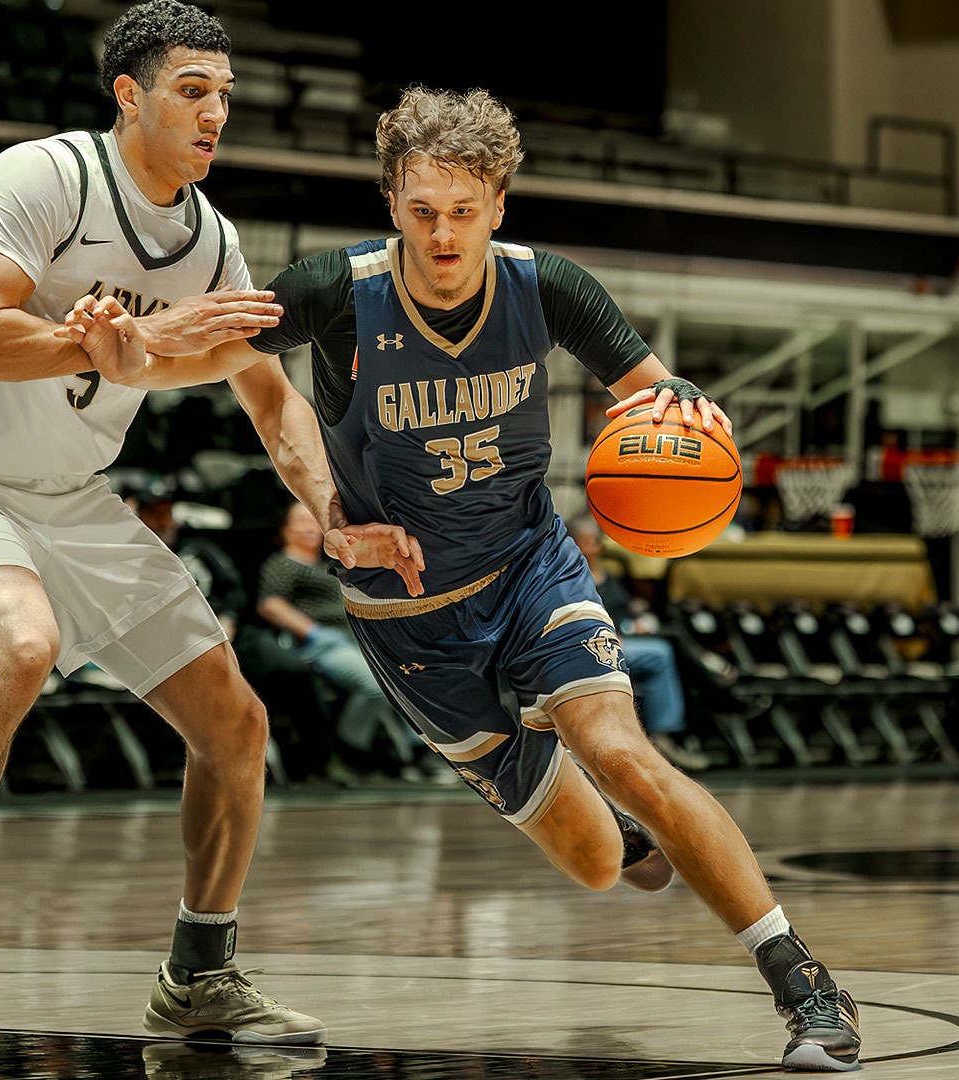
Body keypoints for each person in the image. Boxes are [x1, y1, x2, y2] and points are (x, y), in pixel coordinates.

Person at [69, 87, 862, 1072]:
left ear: (497, 204)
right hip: (411, 628)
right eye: (421, 210)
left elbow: (655, 387)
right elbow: (207, 350)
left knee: (622, 752)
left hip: (530, 567)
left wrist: (693, 409)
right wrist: (124, 357)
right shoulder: (336, 290)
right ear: (391, 201)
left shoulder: (548, 287)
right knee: (598, 860)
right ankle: (620, 826)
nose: (442, 234)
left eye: (462, 211)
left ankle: (805, 987)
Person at [0, 0, 412, 1045]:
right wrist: (119, 344)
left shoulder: (215, 242)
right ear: (130, 95)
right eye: (193, 92)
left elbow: (274, 401)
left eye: (225, 97)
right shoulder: (45, 175)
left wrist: (335, 514)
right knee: (20, 645)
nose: (215, 116)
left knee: (236, 723)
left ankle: (201, 973)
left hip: (75, 499)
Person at [124, 479, 341, 784]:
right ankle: (174, 764)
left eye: (167, 512)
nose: (164, 521)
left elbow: (235, 591)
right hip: (172, 645)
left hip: (232, 635)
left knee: (296, 671)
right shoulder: (129, 558)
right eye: (154, 514)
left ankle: (317, 763)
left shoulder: (197, 549)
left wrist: (227, 618)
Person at [257, 500, 426, 780]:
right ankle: (350, 750)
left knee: (408, 673)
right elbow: (271, 605)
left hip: (356, 638)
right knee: (375, 684)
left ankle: (416, 750)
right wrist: (314, 633)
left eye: (312, 521)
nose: (309, 528)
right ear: (284, 529)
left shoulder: (330, 564)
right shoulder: (282, 563)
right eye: (299, 522)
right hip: (319, 643)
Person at [565, 515, 707, 771]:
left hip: (622, 639)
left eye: (597, 540)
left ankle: (672, 729)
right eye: (590, 540)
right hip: (590, 645)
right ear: (574, 543)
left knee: (669, 639)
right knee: (660, 653)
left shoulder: (608, 577)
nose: (597, 545)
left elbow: (626, 611)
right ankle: (664, 733)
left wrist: (637, 620)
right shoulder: (569, 579)